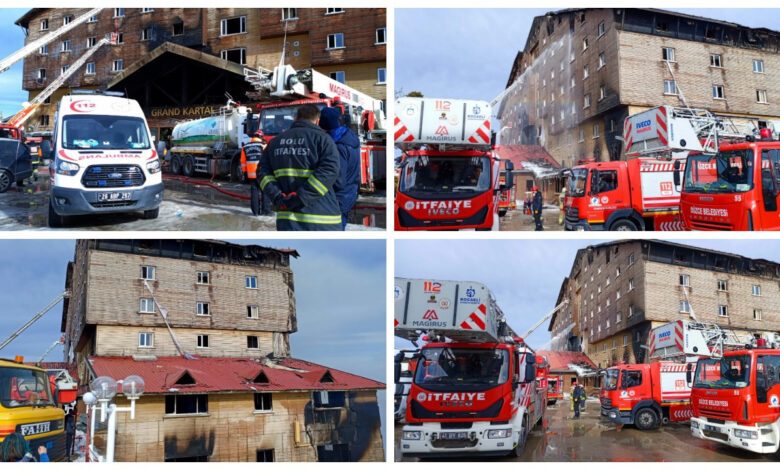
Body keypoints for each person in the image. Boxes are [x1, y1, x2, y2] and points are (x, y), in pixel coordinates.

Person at [259, 104, 342, 231]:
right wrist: (301, 197)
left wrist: (277, 196)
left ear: (296, 118)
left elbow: (262, 172)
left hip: (287, 220)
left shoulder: (275, 142)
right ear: (317, 120)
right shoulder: (324, 140)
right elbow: (330, 171)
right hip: (322, 220)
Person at [318, 106, 361, 229]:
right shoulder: (349, 137)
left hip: (338, 198)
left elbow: (338, 179)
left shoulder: (336, 146)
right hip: (348, 193)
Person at [241, 131, 272, 216]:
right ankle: (265, 211)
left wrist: (245, 173)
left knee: (254, 193)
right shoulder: (263, 146)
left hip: (251, 175)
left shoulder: (245, 147)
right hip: (262, 174)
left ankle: (255, 212)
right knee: (265, 192)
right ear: (261, 137)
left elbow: (243, 162)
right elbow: (268, 160)